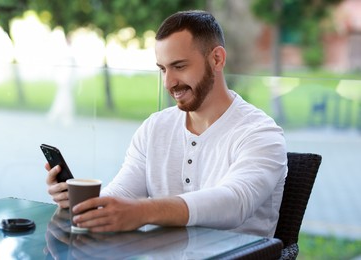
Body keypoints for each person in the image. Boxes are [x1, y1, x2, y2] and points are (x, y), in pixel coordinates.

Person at [46, 10, 287, 237]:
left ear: (217, 58)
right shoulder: (155, 128)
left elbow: (235, 202)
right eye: (162, 69)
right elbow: (123, 194)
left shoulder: (261, 133)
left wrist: (143, 211)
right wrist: (82, 203)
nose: (168, 83)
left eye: (179, 66)